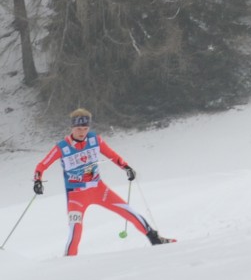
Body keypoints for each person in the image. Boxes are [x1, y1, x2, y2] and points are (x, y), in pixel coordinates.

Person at [33, 108, 171, 255]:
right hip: (76, 195)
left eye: (85, 128)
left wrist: (126, 167)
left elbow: (112, 155)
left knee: (129, 212)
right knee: (76, 231)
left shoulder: (95, 140)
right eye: (78, 129)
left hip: (99, 189)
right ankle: (68, 262)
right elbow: (42, 165)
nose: (82, 132)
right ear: (72, 128)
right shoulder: (62, 147)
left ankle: (156, 239)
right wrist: (37, 181)